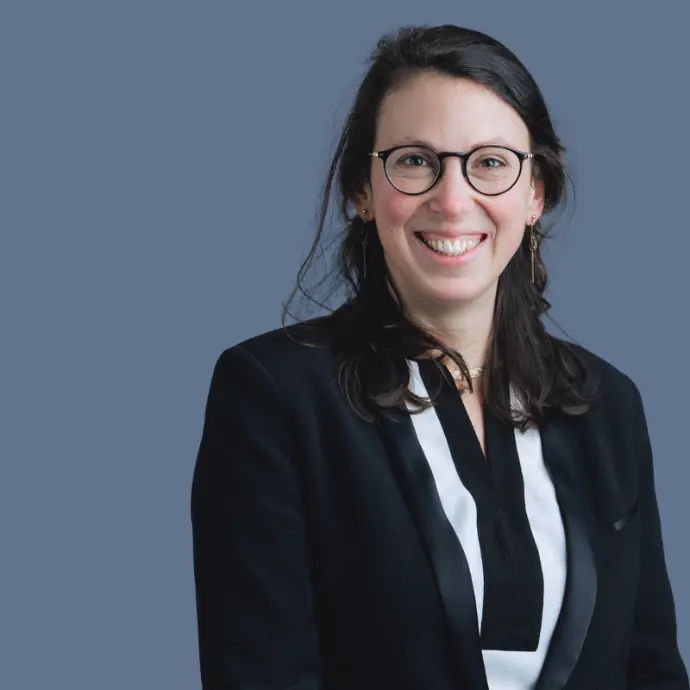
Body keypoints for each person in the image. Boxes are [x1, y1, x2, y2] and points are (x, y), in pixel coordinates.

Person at [190, 24, 688, 690]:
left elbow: (652, 669)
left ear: (535, 193)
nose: (453, 201)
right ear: (362, 191)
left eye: (491, 163)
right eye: (416, 161)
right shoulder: (274, 395)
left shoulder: (608, 404)